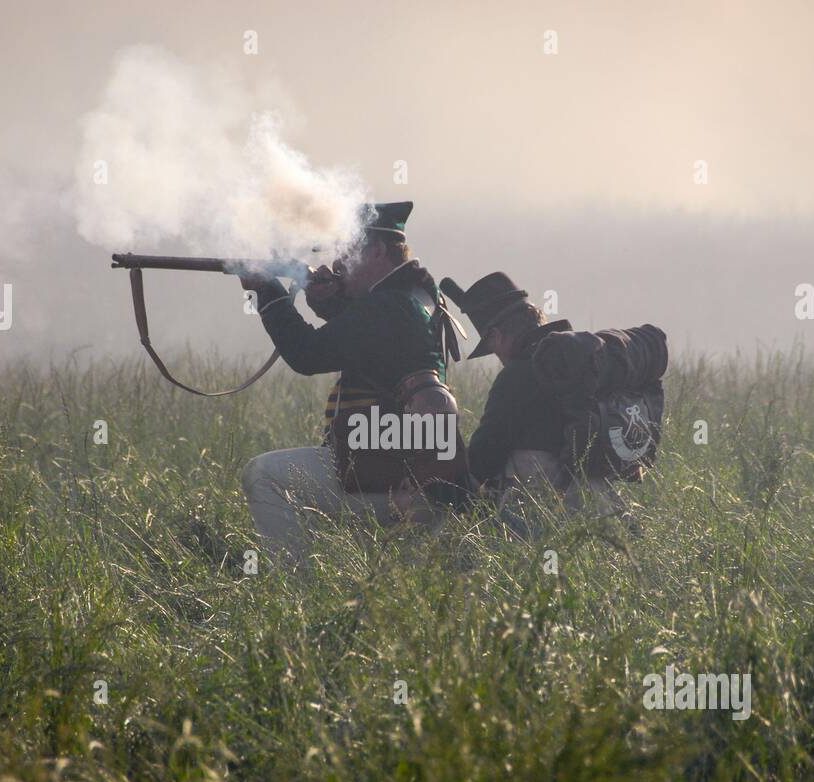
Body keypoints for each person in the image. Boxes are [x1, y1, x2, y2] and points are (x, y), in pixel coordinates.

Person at [236, 202, 466, 562]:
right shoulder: (418, 297)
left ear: (376, 251)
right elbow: (370, 342)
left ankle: (296, 594)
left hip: (389, 475)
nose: (340, 263)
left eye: (348, 250)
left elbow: (306, 354)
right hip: (414, 474)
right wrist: (331, 303)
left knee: (264, 475)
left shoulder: (386, 307)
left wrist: (268, 293)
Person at [447, 272, 666, 524]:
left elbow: (485, 455)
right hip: (597, 492)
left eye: (492, 346)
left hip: (544, 503)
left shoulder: (517, 375)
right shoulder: (574, 363)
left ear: (496, 336)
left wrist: (449, 485)